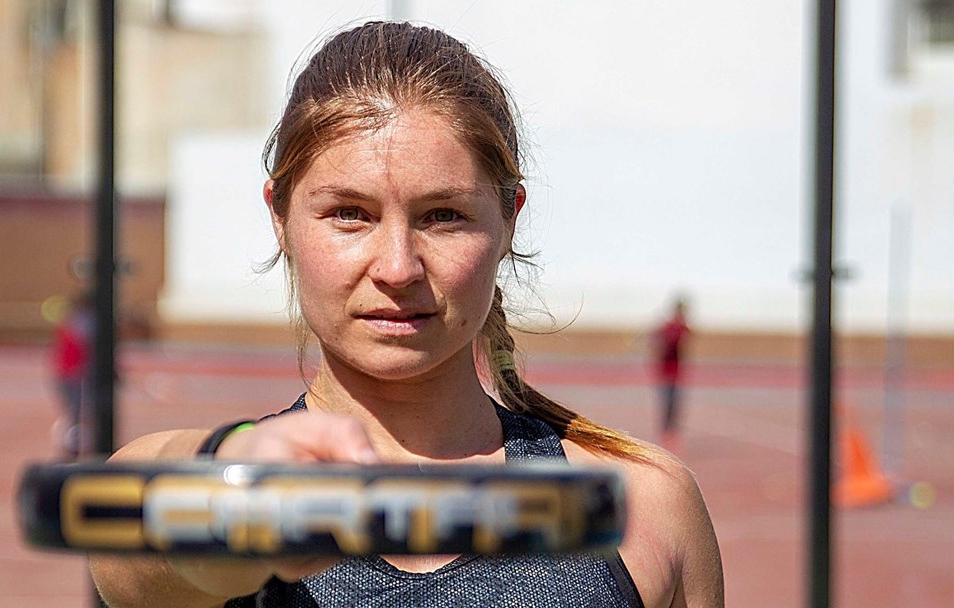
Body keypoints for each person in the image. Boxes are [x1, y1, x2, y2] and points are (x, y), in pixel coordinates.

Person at [90, 21, 723, 607]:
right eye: (349, 213)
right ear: (280, 217)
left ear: (508, 221)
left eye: (443, 216)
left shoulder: (645, 508)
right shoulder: (206, 479)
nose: (397, 267)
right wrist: (242, 480)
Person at [50, 291, 94, 458]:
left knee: (76, 412)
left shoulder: (73, 320)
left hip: (68, 373)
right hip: (74, 374)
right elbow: (85, 347)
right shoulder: (81, 321)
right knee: (77, 412)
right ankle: (71, 446)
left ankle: (74, 444)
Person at [651, 297, 691, 452]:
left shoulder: (681, 327)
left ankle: (672, 434)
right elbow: (662, 345)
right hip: (665, 373)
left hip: (677, 373)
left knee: (675, 406)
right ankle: (665, 434)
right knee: (666, 404)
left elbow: (688, 336)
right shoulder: (668, 327)